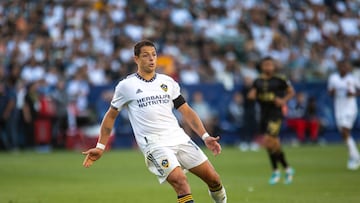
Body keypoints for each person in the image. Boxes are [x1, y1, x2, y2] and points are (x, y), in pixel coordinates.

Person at [82, 40, 227, 203]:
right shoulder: (126, 86)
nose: (151, 59)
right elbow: (110, 116)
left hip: (178, 137)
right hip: (154, 144)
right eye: (146, 55)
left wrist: (205, 136)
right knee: (180, 181)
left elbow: (186, 111)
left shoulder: (167, 82)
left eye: (154, 54)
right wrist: (100, 146)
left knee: (214, 180)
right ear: (136, 59)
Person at [247, 56, 295, 185]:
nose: (268, 67)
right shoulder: (257, 81)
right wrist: (251, 95)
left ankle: (276, 171)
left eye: (270, 65)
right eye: (266, 65)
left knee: (268, 140)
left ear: (274, 66)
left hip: (276, 114)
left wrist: (283, 101)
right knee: (272, 143)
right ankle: (287, 168)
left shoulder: (280, 80)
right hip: (264, 115)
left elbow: (291, 92)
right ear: (262, 67)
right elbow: (252, 94)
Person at [328, 60, 360, 170]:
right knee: (343, 134)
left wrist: (353, 94)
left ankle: (355, 157)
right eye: (342, 67)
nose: (344, 69)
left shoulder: (352, 78)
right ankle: (354, 155)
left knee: (345, 131)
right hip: (339, 108)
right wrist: (333, 92)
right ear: (339, 67)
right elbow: (330, 92)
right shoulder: (333, 78)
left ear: (348, 68)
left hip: (350, 108)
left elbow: (359, 90)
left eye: (346, 67)